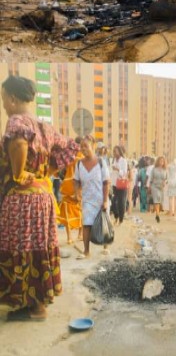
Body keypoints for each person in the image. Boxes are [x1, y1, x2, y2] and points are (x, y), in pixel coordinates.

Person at [0, 75, 79, 321]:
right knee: (39, 247)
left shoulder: (16, 121)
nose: (3, 105)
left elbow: (21, 142)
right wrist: (46, 173)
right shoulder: (45, 127)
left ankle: (22, 301)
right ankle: (37, 306)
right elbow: (71, 147)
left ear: (12, 98)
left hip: (22, 198)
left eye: (3, 100)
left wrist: (18, 172)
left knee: (19, 246)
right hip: (43, 197)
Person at [73, 135, 111, 259]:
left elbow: (106, 182)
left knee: (103, 222)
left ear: (93, 146)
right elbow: (76, 180)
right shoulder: (79, 164)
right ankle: (86, 251)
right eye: (81, 146)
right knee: (86, 225)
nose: (83, 149)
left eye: (86, 146)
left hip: (100, 199)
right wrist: (77, 192)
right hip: (87, 200)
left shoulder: (101, 162)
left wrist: (105, 201)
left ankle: (105, 246)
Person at [57, 137, 84, 244]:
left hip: (69, 188)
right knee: (80, 212)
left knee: (72, 213)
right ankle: (79, 235)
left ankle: (70, 237)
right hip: (76, 188)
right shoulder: (80, 157)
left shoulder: (69, 156)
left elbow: (60, 172)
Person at [110, 145, 128, 225]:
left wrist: (117, 169)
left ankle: (121, 219)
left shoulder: (123, 161)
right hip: (114, 184)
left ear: (119, 152)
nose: (114, 153)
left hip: (121, 184)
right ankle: (116, 216)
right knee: (113, 202)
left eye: (116, 151)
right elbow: (111, 172)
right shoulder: (113, 160)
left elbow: (124, 173)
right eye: (114, 151)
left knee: (121, 202)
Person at [150, 156, 167, 223]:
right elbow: (151, 178)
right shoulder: (154, 169)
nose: (161, 162)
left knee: (159, 200)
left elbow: (166, 179)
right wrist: (149, 187)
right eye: (160, 161)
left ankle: (157, 212)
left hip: (161, 187)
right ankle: (157, 215)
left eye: (162, 161)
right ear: (158, 161)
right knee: (156, 200)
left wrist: (165, 182)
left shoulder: (165, 170)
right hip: (154, 186)